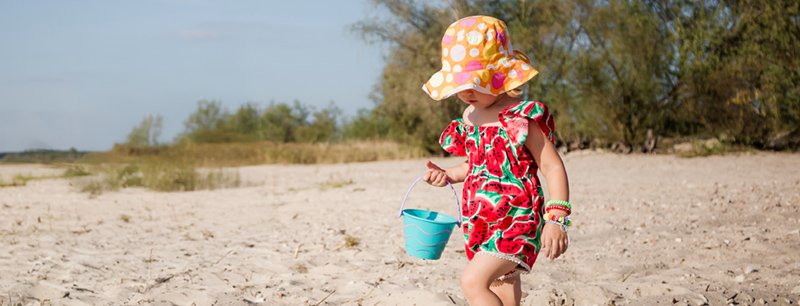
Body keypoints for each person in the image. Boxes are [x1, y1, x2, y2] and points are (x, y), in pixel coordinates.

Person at [421, 15, 572, 306]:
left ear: (500, 75)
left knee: (472, 282)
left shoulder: (520, 118)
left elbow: (551, 166)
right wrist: (448, 175)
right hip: (481, 219)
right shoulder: (470, 118)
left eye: (474, 83)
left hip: (517, 218)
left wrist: (557, 218)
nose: (465, 92)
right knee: (502, 285)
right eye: (460, 84)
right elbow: (478, 164)